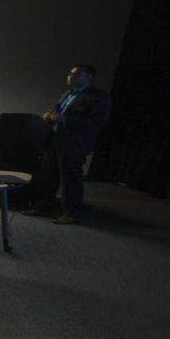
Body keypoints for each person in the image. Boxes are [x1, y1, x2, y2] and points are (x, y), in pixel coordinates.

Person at [25, 65, 111, 224]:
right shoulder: (67, 94)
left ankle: (71, 213)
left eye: (77, 74)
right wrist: (50, 116)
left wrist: (67, 120)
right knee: (48, 175)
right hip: (55, 139)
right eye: (71, 74)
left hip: (75, 143)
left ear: (89, 77)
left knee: (70, 178)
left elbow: (98, 121)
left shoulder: (98, 97)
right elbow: (59, 112)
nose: (71, 77)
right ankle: (42, 206)